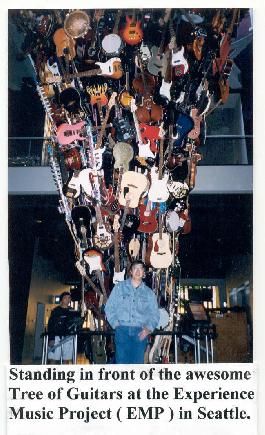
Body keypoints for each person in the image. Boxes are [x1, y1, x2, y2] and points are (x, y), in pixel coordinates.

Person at [105, 260, 160, 364]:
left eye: (141, 269)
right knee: (121, 365)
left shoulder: (149, 293)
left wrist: (148, 329)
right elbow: (109, 307)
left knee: (137, 366)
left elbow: (155, 314)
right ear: (130, 271)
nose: (138, 271)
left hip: (140, 333)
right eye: (135, 268)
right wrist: (116, 325)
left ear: (144, 273)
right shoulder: (119, 288)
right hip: (122, 331)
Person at [47, 291, 75, 364]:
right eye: (65, 298)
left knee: (66, 359)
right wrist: (51, 338)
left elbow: (75, 324)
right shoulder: (56, 311)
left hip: (68, 337)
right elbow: (51, 325)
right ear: (61, 300)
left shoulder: (72, 311)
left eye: (69, 298)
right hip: (56, 337)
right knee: (53, 358)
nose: (68, 299)